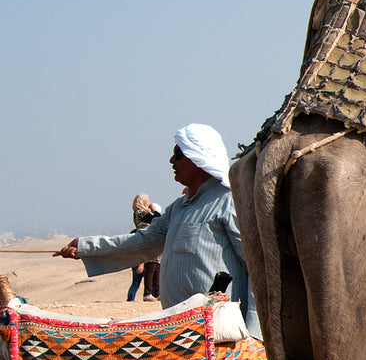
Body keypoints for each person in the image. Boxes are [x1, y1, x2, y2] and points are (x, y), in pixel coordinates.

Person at [55, 124, 258, 336]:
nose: (172, 161)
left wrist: (255, 332)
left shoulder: (229, 202)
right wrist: (86, 247)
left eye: (177, 154)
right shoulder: (178, 208)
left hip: (222, 332)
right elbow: (142, 242)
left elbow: (257, 266)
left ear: (197, 157)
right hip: (178, 331)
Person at [126, 193, 162, 302]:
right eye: (147, 201)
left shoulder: (139, 213)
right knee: (150, 271)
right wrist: (155, 211)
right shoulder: (140, 213)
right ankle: (148, 294)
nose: (149, 203)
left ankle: (156, 293)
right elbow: (156, 220)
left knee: (155, 270)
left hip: (150, 243)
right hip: (147, 242)